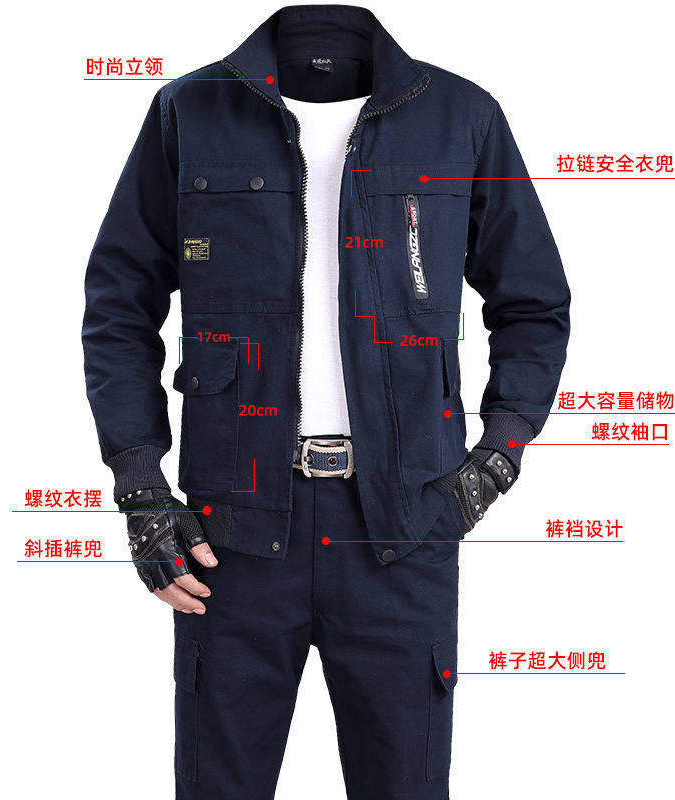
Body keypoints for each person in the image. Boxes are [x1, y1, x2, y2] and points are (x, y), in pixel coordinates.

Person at [82, 6, 570, 798]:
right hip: (230, 537)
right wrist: (140, 485)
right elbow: (118, 302)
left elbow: (534, 303)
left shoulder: (461, 117)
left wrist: (498, 457)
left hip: (405, 526)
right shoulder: (190, 110)